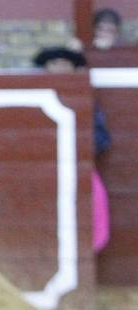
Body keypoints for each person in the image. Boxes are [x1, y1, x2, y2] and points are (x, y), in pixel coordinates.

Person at [34, 46, 111, 252]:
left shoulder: (86, 99)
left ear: (73, 68)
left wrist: (80, 150)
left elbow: (102, 139)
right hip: (41, 169)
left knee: (96, 197)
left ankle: (89, 252)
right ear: (46, 69)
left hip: (78, 166)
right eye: (54, 63)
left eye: (64, 63)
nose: (59, 68)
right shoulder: (33, 95)